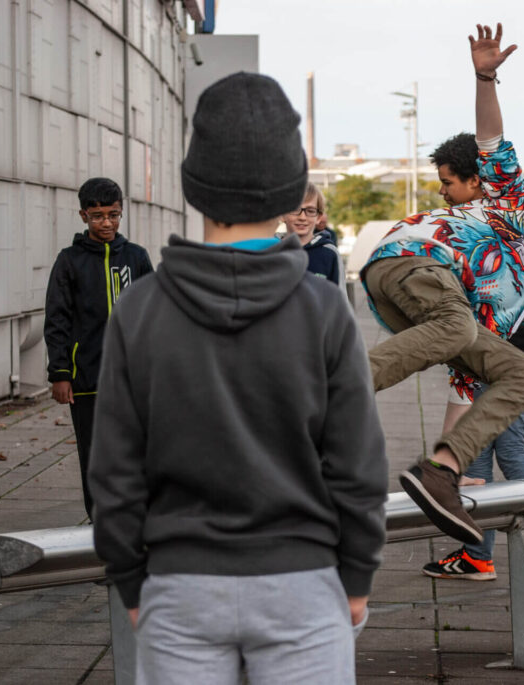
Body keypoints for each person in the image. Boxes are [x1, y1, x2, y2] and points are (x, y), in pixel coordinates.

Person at [87, 72, 387, 683]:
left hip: (179, 585)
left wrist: (131, 581)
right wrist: (357, 575)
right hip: (304, 584)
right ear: (290, 188)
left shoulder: (140, 308)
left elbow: (113, 468)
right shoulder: (323, 308)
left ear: (193, 183)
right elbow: (357, 464)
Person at [361, 23, 524, 546]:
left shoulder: (511, 312)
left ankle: (441, 471)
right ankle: (330, 388)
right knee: (457, 326)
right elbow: (491, 143)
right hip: (413, 259)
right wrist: (484, 80)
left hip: (426, 305)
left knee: (521, 375)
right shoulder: (518, 216)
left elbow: (465, 383)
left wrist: (456, 461)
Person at [422, 326, 524, 588]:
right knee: (507, 452)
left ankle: (491, 552)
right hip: (523, 357)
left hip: (491, 355)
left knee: (485, 455)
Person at [43, 177, 153, 519]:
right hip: (87, 380)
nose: (106, 223)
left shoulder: (136, 257)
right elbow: (57, 319)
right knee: (94, 456)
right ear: (83, 216)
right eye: (98, 216)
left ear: (121, 213)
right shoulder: (69, 261)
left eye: (113, 215)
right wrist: (60, 373)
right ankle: (100, 524)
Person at [284, 182, 346, 295]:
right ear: (282, 215)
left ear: (319, 217)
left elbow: (340, 299)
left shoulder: (329, 254)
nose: (302, 217)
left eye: (310, 211)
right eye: (295, 209)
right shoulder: (270, 250)